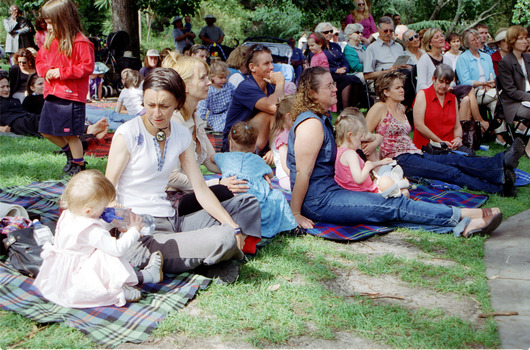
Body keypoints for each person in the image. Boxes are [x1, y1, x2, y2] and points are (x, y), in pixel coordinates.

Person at [287, 66, 503, 237]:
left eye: (334, 83)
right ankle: (467, 215)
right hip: (318, 202)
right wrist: (296, 213)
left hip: (331, 192)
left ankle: (463, 223)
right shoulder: (311, 125)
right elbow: (303, 174)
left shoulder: (321, 119)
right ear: (313, 94)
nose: (335, 88)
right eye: (329, 86)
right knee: (390, 205)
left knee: (389, 208)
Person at [105, 68, 261, 278]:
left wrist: (232, 225)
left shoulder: (179, 134)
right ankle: (215, 256)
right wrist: (123, 223)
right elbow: (107, 191)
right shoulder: (128, 134)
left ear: (178, 103)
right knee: (223, 237)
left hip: (172, 219)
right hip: (141, 233)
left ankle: (207, 256)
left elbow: (201, 188)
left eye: (164, 106)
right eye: (150, 105)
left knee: (247, 203)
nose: (156, 113)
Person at [365, 70, 525, 197]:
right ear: (385, 92)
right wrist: (374, 164)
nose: (402, 90)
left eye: (402, 86)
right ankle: (500, 186)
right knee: (450, 172)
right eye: (397, 87)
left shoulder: (401, 108)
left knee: (455, 158)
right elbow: (363, 135)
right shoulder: (379, 108)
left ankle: (500, 167)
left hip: (415, 153)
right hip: (398, 160)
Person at [34, 170, 164, 308]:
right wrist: (133, 231)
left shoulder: (69, 214)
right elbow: (117, 249)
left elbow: (92, 233)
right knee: (107, 254)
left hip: (63, 274)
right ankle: (118, 290)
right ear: (89, 210)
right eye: (103, 207)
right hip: (77, 279)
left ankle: (146, 276)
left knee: (103, 248)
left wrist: (116, 222)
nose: (105, 209)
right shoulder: (90, 230)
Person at [162, 54, 250, 195]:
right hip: (171, 197)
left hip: (192, 192)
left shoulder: (195, 118)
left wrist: (250, 170)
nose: (209, 82)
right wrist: (217, 184)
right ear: (185, 86)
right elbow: (172, 178)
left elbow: (211, 161)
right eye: (203, 78)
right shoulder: (173, 122)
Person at [36, 0, 95, 177]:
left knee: (71, 134)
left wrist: (60, 72)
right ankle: (71, 153)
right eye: (46, 22)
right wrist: (46, 71)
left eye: (50, 22)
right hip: (52, 94)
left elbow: (87, 67)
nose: (47, 27)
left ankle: (79, 165)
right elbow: (40, 62)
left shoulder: (80, 42)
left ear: (63, 19)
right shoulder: (50, 41)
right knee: (45, 130)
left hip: (71, 96)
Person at [215, 122, 297, 238]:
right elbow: (270, 174)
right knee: (277, 196)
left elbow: (211, 159)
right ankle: (290, 226)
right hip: (259, 210)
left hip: (232, 208)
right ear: (254, 146)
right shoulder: (257, 160)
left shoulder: (223, 158)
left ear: (231, 144)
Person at [416, 29, 489, 134]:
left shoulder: (447, 59)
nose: (441, 38)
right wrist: (438, 88)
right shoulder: (424, 59)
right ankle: (480, 122)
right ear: (430, 42)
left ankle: (464, 134)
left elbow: (452, 81)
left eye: (441, 36)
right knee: (469, 89)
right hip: (431, 94)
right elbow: (421, 85)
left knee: (466, 99)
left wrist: (448, 87)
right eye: (436, 37)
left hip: (447, 91)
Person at [334, 101, 410, 198]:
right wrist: (367, 167)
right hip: (364, 192)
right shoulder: (350, 154)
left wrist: (380, 162)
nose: (359, 143)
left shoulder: (339, 151)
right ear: (349, 136)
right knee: (402, 191)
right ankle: (399, 186)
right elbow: (359, 179)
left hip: (355, 190)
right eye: (359, 138)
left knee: (390, 183)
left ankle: (397, 186)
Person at [1, 72, 108, 138]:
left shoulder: (14, 100)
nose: (6, 89)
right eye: (2, 87)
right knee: (44, 124)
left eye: (7, 86)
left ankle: (86, 131)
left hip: (28, 117)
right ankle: (87, 130)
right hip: (17, 121)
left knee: (45, 122)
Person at [222, 44, 285, 153]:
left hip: (255, 139)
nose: (272, 67)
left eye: (271, 62)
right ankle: (273, 150)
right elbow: (273, 107)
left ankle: (274, 149)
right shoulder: (246, 87)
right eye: (266, 63)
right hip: (235, 145)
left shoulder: (270, 87)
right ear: (252, 67)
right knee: (269, 113)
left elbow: (284, 111)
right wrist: (280, 83)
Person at [455, 29, 506, 145]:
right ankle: (488, 126)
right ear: (467, 43)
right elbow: (465, 81)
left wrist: (491, 84)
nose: (477, 41)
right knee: (500, 97)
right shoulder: (463, 58)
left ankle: (499, 135)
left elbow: (492, 75)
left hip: (489, 91)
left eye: (478, 38)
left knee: (495, 104)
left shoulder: (486, 57)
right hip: (473, 92)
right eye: (473, 40)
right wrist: (483, 84)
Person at [413, 64, 473, 154]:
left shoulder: (452, 98)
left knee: (471, 155)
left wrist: (458, 138)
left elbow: (457, 126)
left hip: (450, 145)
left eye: (447, 83)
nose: (444, 86)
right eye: (441, 82)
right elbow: (419, 125)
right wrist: (440, 141)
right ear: (433, 79)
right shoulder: (423, 95)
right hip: (429, 145)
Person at [363, 16, 415, 109]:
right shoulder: (372, 48)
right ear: (378, 30)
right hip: (384, 78)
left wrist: (406, 66)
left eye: (391, 31)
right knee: (406, 76)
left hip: (402, 74)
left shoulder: (398, 46)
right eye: (385, 31)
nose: (388, 33)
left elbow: (411, 66)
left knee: (413, 72)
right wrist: (389, 71)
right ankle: (404, 108)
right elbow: (367, 75)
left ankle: (405, 108)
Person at [497, 25, 530, 157]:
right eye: (520, 39)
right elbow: (510, 91)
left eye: (525, 38)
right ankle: (528, 148)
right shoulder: (505, 63)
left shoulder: (528, 58)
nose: (525, 41)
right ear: (512, 41)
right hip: (513, 103)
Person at [315, 22, 363, 110]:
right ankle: (345, 109)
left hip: (341, 73)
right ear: (319, 34)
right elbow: (317, 67)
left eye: (330, 31)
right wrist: (335, 70)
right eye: (326, 32)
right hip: (328, 74)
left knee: (356, 80)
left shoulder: (336, 46)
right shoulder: (317, 47)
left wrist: (345, 69)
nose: (329, 33)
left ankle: (352, 107)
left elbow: (344, 60)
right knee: (347, 81)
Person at [197, 60, 235, 132]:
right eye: (221, 78)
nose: (224, 80)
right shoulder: (209, 90)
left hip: (229, 112)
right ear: (212, 77)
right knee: (220, 129)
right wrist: (200, 120)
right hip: (216, 116)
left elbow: (236, 94)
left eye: (225, 77)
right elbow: (202, 106)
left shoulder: (228, 85)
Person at [270, 95, 295, 191]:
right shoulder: (283, 136)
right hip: (286, 177)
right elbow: (285, 163)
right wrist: (294, 178)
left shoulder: (284, 131)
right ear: (289, 116)